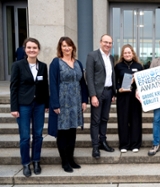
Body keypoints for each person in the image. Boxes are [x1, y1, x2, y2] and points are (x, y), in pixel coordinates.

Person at [48, 36, 88, 173]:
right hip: (62, 101)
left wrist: (84, 100)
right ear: (60, 48)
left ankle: (71, 159)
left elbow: (83, 82)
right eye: (64, 46)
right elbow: (52, 84)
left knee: (72, 132)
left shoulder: (78, 63)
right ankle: (64, 161)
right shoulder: (56, 62)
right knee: (63, 132)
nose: (66, 48)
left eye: (69, 45)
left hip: (76, 101)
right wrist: (55, 104)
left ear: (73, 47)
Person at [10, 37, 49, 177]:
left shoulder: (43, 66)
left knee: (38, 135)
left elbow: (45, 86)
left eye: (34, 48)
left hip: (39, 104)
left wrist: (47, 104)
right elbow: (13, 87)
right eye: (29, 47)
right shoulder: (17, 65)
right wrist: (14, 108)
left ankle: (36, 160)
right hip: (23, 105)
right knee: (25, 137)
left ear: (38, 50)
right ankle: (26, 163)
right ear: (25, 49)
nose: (32, 50)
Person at [86, 34, 117, 159]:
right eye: (105, 42)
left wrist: (114, 92)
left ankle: (103, 141)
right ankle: (95, 146)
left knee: (105, 118)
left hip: (109, 92)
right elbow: (89, 76)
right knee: (95, 120)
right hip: (98, 93)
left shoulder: (111, 58)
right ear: (100, 42)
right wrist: (93, 95)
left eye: (110, 43)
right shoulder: (92, 55)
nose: (107, 45)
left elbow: (112, 75)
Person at [115, 44, 143, 153]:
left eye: (129, 52)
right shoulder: (118, 66)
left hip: (135, 97)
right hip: (123, 97)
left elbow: (143, 82)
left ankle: (135, 144)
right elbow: (114, 82)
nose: (127, 54)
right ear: (122, 54)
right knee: (123, 120)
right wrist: (119, 89)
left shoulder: (139, 66)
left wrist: (139, 89)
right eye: (125, 53)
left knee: (135, 120)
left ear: (132, 53)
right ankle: (124, 144)